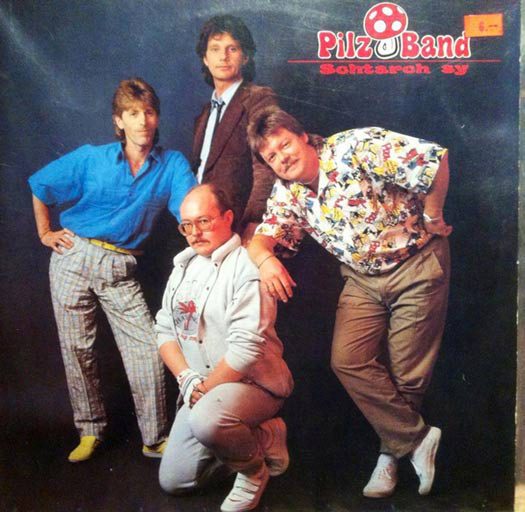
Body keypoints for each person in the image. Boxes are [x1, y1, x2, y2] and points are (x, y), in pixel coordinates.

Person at [247, 106, 452, 498]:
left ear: (303, 136)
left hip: (416, 263)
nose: (282, 158)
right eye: (271, 156)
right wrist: (266, 260)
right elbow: (262, 239)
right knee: (347, 360)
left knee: (406, 373)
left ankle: (389, 458)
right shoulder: (287, 191)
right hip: (362, 278)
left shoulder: (355, 146)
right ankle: (418, 439)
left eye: (284, 145)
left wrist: (432, 213)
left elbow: (434, 159)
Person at [28, 77, 197, 463]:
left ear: (157, 118)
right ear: (119, 121)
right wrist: (44, 233)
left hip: (121, 265)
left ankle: (155, 438)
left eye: (149, 112)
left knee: (147, 349)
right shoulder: (93, 158)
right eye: (133, 113)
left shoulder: (171, 164)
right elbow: (40, 185)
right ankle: (89, 430)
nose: (142, 121)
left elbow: (189, 209)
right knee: (77, 348)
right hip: (73, 256)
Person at [156, 183, 293, 512]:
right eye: (187, 225)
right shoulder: (183, 266)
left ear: (228, 217)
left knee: (207, 420)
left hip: (253, 385)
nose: (194, 233)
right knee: (174, 481)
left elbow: (246, 349)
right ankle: (262, 437)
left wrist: (202, 392)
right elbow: (164, 330)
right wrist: (187, 379)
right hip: (202, 388)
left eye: (204, 221)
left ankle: (253, 472)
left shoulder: (247, 265)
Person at [192, 14, 279, 244]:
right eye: (215, 49)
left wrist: (254, 222)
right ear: (205, 58)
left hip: (241, 228)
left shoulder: (259, 99)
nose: (223, 56)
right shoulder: (204, 114)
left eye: (232, 48)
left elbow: (267, 168)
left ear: (245, 57)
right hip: (205, 229)